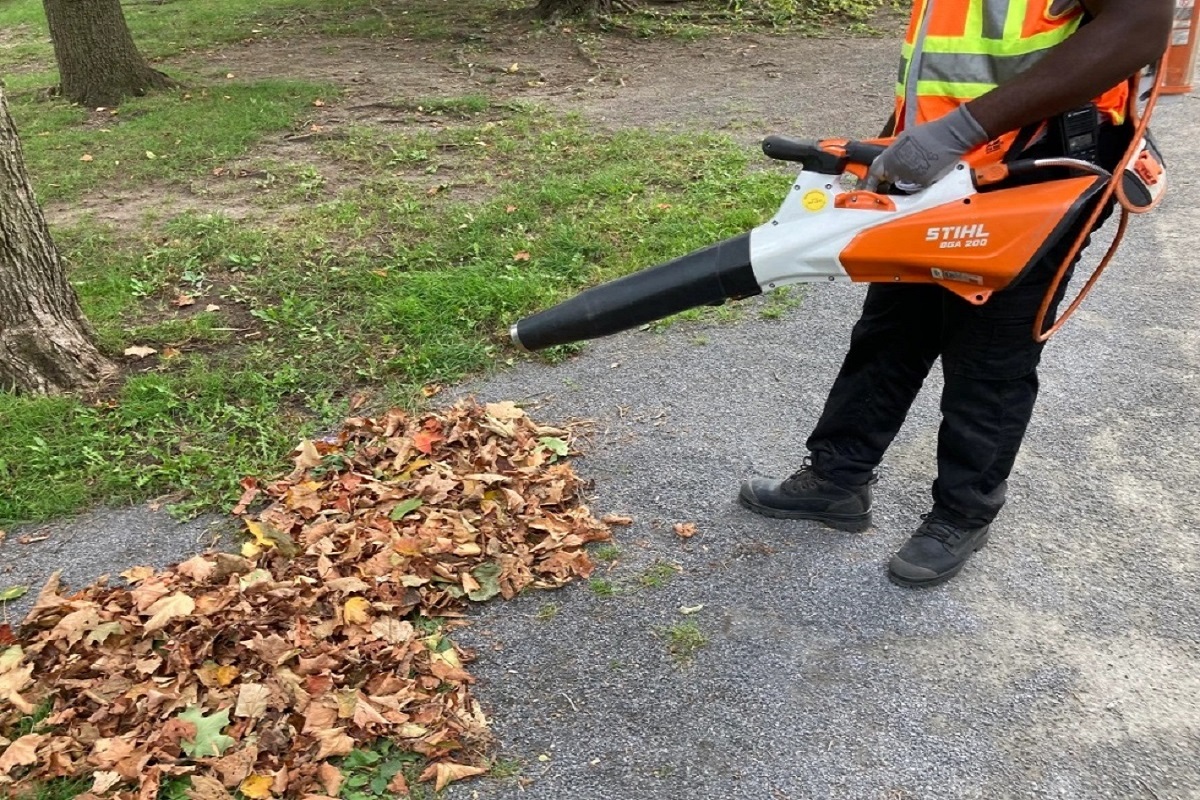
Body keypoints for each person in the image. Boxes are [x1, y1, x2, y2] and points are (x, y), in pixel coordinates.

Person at [738, 0, 1173, 587]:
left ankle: (962, 514)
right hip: (936, 168)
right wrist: (901, 140)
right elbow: (947, 60)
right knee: (891, 331)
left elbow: (1139, 26)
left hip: (1033, 171)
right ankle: (837, 479)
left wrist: (960, 130)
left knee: (990, 355)